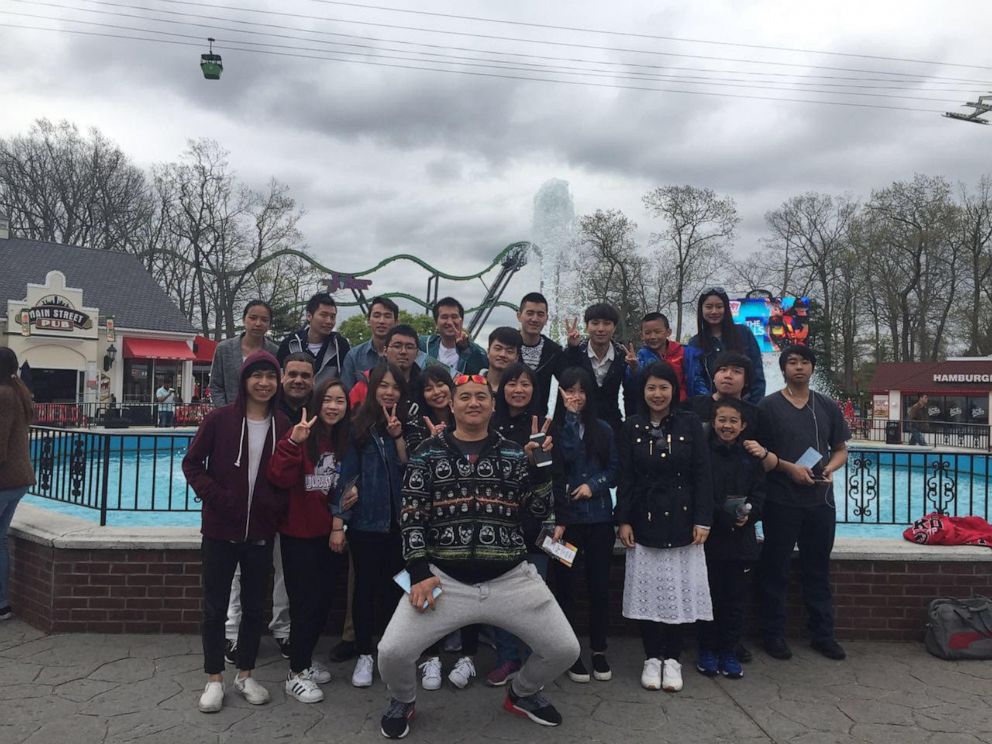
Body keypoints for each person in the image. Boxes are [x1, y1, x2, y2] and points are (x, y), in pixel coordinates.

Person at [376, 374, 578, 739]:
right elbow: (411, 517)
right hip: (443, 579)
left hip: (511, 577)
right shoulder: (426, 455)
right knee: (392, 652)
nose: (473, 403)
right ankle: (404, 699)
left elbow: (535, 517)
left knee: (564, 649)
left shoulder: (516, 454)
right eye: (464, 397)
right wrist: (419, 570)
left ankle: (523, 692)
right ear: (451, 405)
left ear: (492, 404)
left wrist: (539, 468)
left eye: (481, 397)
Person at [182, 351, 291, 713]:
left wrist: (273, 507)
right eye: (256, 376)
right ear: (244, 381)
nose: (264, 383)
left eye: (270, 377)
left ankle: (245, 674)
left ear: (277, 383)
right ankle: (214, 677)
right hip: (219, 529)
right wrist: (217, 497)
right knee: (214, 608)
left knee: (254, 607)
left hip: (260, 531)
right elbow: (192, 463)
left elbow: (288, 476)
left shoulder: (284, 423)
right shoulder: (219, 420)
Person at [615, 361, 713, 693]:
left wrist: (703, 519)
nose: (657, 394)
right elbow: (626, 477)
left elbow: (702, 474)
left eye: (664, 387)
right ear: (642, 391)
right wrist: (623, 519)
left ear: (674, 390)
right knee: (650, 594)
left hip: (683, 520)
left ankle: (672, 658)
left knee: (678, 593)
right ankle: (652, 657)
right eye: (651, 387)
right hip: (644, 520)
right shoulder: (632, 427)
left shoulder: (690, 424)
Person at [757, 345, 850, 662]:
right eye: (792, 363)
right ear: (783, 369)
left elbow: (840, 449)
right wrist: (789, 468)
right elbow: (761, 455)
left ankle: (823, 635)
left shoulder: (826, 406)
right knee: (775, 569)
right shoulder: (768, 407)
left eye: (805, 362)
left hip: (820, 502)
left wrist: (831, 468)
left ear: (812, 368)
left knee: (817, 570)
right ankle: (772, 634)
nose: (799, 368)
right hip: (781, 501)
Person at [267, 378, 355, 703]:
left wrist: (343, 512)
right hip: (298, 535)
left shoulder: (344, 441)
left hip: (329, 535)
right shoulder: (301, 435)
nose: (333, 406)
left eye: (340, 401)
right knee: (303, 605)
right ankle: (296, 673)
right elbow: (277, 476)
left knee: (321, 603)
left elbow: (345, 484)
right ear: (317, 403)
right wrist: (292, 442)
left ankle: (304, 661)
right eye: (328, 400)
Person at [223, 353, 312, 665]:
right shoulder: (234, 416)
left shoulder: (301, 415)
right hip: (245, 511)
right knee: (238, 574)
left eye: (306, 375)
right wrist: (219, 498)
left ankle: (282, 629)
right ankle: (232, 634)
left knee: (283, 573)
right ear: (283, 377)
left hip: (286, 507)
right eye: (293, 374)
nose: (299, 380)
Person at [485, 362, 565, 686]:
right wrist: (523, 456)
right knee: (501, 599)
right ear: (502, 389)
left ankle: (537, 662)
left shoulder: (545, 426)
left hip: (537, 527)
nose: (518, 389)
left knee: (535, 598)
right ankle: (507, 659)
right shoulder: (489, 426)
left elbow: (557, 476)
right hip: (499, 526)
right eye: (512, 383)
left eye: (526, 384)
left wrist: (562, 518)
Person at [338, 363, 409, 689]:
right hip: (367, 523)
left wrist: (397, 438)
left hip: (399, 525)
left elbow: (408, 469)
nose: (389, 391)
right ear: (373, 388)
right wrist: (341, 517)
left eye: (395, 386)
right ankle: (365, 653)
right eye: (384, 385)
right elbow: (347, 473)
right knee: (364, 590)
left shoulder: (404, 424)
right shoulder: (358, 427)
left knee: (399, 590)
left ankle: (393, 653)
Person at [550, 367, 619, 684]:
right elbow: (560, 465)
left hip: (600, 520)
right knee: (566, 587)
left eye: (580, 391)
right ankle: (570, 650)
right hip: (567, 525)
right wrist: (569, 420)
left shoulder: (603, 428)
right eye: (568, 390)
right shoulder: (555, 430)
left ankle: (600, 650)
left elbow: (616, 469)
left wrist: (595, 484)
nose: (575, 396)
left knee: (599, 586)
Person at [696, 398, 765, 680]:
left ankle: (729, 649)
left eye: (733, 421)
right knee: (708, 596)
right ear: (713, 422)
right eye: (722, 420)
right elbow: (699, 493)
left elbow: (761, 494)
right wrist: (721, 516)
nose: (727, 426)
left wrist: (749, 515)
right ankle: (707, 649)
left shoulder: (751, 457)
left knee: (735, 599)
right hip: (710, 538)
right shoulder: (702, 454)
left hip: (741, 540)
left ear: (743, 425)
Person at [683, 287, 765, 404]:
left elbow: (757, 374)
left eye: (719, 306)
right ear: (701, 310)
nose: (714, 311)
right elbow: (697, 380)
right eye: (709, 307)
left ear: (726, 308)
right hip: (712, 411)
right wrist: (711, 406)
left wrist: (752, 407)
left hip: (745, 405)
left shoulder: (744, 333)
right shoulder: (695, 343)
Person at [0, 348, 34, 622]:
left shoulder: (3, 395)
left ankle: (2, 601)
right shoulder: (19, 392)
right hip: (18, 479)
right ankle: (2, 602)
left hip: (4, 479)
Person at [562, 302, 630, 434]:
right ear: (587, 326)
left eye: (606, 323)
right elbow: (566, 378)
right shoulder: (576, 351)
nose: (601, 328)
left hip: (612, 424)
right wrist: (573, 348)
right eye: (595, 323)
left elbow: (630, 392)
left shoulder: (622, 355)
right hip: (580, 422)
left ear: (614, 327)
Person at [209, 300, 279, 407]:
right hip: (229, 415)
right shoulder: (224, 349)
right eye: (253, 318)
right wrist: (225, 413)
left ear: (269, 324)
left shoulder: (275, 352)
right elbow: (215, 386)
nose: (258, 323)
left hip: (263, 414)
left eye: (264, 320)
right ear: (243, 320)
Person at [277, 292, 352, 385]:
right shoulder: (290, 344)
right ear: (309, 316)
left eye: (332, 317)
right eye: (323, 315)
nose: (329, 321)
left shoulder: (340, 345)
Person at [349, 324, 427, 409]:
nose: (403, 351)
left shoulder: (425, 385)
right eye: (397, 346)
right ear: (385, 351)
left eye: (409, 347)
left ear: (417, 353)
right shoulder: (367, 382)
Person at [623, 312, 686, 414]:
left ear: (668, 332)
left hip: (681, 408)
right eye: (647, 333)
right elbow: (633, 386)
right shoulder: (640, 357)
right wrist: (634, 368)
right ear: (642, 335)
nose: (652, 336)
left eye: (657, 332)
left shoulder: (683, 353)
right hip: (652, 410)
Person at [516, 292, 564, 417]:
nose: (535, 319)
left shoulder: (554, 351)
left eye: (540, 314)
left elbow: (568, 380)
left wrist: (574, 348)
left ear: (546, 318)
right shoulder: (508, 345)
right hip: (507, 420)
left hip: (538, 419)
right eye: (530, 313)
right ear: (519, 316)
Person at [341, 296, 400, 391]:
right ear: (368, 321)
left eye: (387, 316)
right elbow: (346, 393)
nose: (381, 321)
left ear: (396, 322)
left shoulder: (404, 355)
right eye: (376, 316)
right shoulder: (354, 356)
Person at [419, 297, 487, 375]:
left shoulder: (475, 351)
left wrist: (465, 349)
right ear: (436, 322)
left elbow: (483, 369)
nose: (450, 322)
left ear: (461, 321)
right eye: (444, 317)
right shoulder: (423, 345)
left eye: (454, 317)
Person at [482, 326, 523, 390]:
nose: (502, 355)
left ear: (516, 357)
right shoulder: (472, 384)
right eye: (498, 349)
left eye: (509, 351)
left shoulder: (519, 391)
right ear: (488, 352)